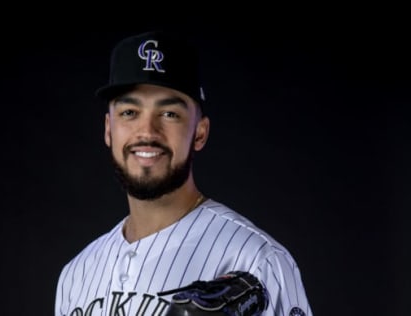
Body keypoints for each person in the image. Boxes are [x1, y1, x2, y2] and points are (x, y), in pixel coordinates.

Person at [55, 30, 313, 316]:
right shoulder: (75, 275)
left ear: (200, 133)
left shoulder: (257, 260)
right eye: (129, 112)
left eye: (169, 114)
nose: (147, 132)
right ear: (108, 129)